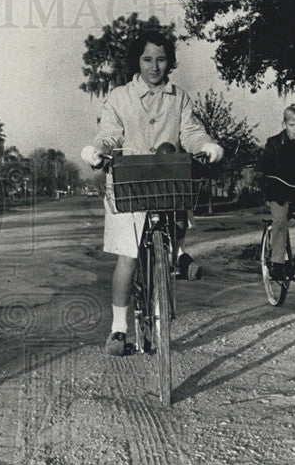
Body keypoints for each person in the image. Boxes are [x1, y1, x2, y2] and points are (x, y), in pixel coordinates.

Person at [81, 30, 223, 357]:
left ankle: (175, 253)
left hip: (166, 180)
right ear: (137, 62)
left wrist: (207, 146)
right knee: (128, 258)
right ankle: (118, 329)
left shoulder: (179, 97)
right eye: (147, 59)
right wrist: (97, 151)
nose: (154, 66)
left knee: (179, 207)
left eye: (161, 59)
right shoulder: (120, 97)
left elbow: (191, 131)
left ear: (169, 62)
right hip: (130, 183)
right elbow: (108, 133)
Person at [257, 104, 295, 280]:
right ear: (284, 125)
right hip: (279, 192)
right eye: (292, 125)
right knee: (280, 221)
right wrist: (269, 173)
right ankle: (277, 264)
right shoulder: (273, 143)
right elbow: (266, 165)